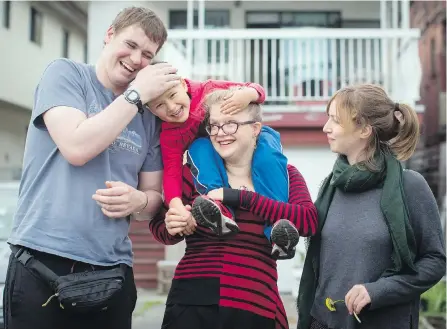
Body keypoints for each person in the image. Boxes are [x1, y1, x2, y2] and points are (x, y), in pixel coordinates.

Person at [3, 7, 180, 329]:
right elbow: (76, 147)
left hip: (112, 270)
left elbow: (153, 199)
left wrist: (139, 202)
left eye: (147, 54)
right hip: (40, 260)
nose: (137, 59)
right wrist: (136, 94)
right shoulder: (66, 75)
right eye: (131, 44)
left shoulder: (149, 117)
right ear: (109, 35)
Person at [149, 88, 318, 329]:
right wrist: (174, 224)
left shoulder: (286, 175)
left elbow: (308, 221)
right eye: (214, 126)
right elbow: (159, 226)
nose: (220, 134)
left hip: (256, 302)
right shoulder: (195, 174)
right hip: (193, 301)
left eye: (230, 124)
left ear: (256, 129)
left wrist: (240, 198)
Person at [297, 84, 447, 329]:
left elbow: (434, 261)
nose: (326, 127)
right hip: (322, 322)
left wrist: (379, 291)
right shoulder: (333, 184)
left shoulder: (409, 186)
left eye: (335, 120)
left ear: (364, 130)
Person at [146, 78, 299, 259]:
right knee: (199, 147)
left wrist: (247, 95)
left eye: (172, 95)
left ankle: (278, 229)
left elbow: (255, 90)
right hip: (202, 270)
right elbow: (171, 173)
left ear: (182, 83)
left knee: (267, 156)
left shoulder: (208, 89)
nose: (171, 107)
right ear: (150, 110)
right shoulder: (174, 138)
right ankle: (219, 211)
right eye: (159, 106)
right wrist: (176, 207)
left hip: (261, 143)